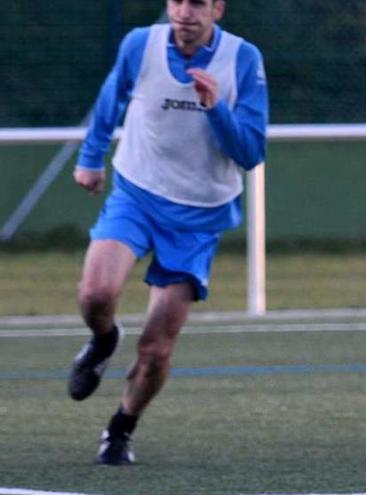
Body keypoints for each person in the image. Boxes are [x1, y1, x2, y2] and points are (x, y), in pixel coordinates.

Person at [67, 0, 268, 466]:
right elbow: (110, 97)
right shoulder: (141, 44)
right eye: (177, 1)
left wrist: (216, 107)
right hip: (136, 193)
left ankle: (120, 428)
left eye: (198, 3)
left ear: (217, 9)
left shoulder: (243, 59)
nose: (184, 12)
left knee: (157, 348)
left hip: (199, 214)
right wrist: (90, 158)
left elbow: (251, 151)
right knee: (96, 294)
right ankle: (102, 340)